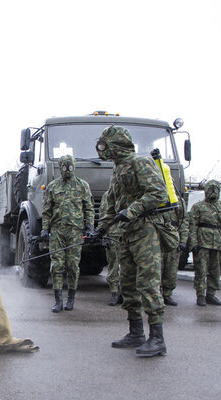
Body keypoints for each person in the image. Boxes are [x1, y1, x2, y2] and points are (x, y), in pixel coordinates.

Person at [90, 125, 170, 357]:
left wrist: (132, 210)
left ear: (116, 145)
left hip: (145, 231)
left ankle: (158, 339)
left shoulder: (140, 163)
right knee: (127, 284)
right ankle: (136, 332)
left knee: (148, 283)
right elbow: (112, 205)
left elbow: (158, 193)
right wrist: (101, 229)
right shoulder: (118, 169)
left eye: (105, 145)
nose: (102, 150)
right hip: (126, 234)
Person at [41, 154, 94, 312]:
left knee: (72, 266)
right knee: (57, 265)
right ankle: (58, 300)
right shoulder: (53, 186)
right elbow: (47, 211)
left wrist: (90, 226)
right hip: (57, 231)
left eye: (70, 167)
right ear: (60, 168)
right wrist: (45, 228)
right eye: (64, 167)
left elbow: (89, 208)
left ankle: (71, 298)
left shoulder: (82, 186)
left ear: (74, 167)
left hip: (75, 231)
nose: (67, 171)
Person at [187, 179, 221, 306]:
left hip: (219, 243)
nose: (213, 191)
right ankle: (200, 295)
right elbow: (192, 227)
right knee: (201, 271)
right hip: (203, 243)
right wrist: (193, 244)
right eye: (210, 189)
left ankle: (211, 294)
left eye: (215, 189)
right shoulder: (198, 207)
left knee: (216, 270)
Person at [160, 194, 188, 306]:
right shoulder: (154, 196)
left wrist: (183, 240)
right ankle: (154, 295)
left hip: (173, 237)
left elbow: (184, 221)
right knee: (155, 269)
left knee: (171, 269)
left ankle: (167, 294)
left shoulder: (177, 200)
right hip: (157, 236)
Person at [99, 189, 123, 306]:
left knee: (129, 266)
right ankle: (114, 292)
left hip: (130, 233)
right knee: (113, 264)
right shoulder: (108, 194)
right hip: (113, 234)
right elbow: (104, 215)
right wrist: (104, 235)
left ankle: (126, 293)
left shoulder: (133, 192)